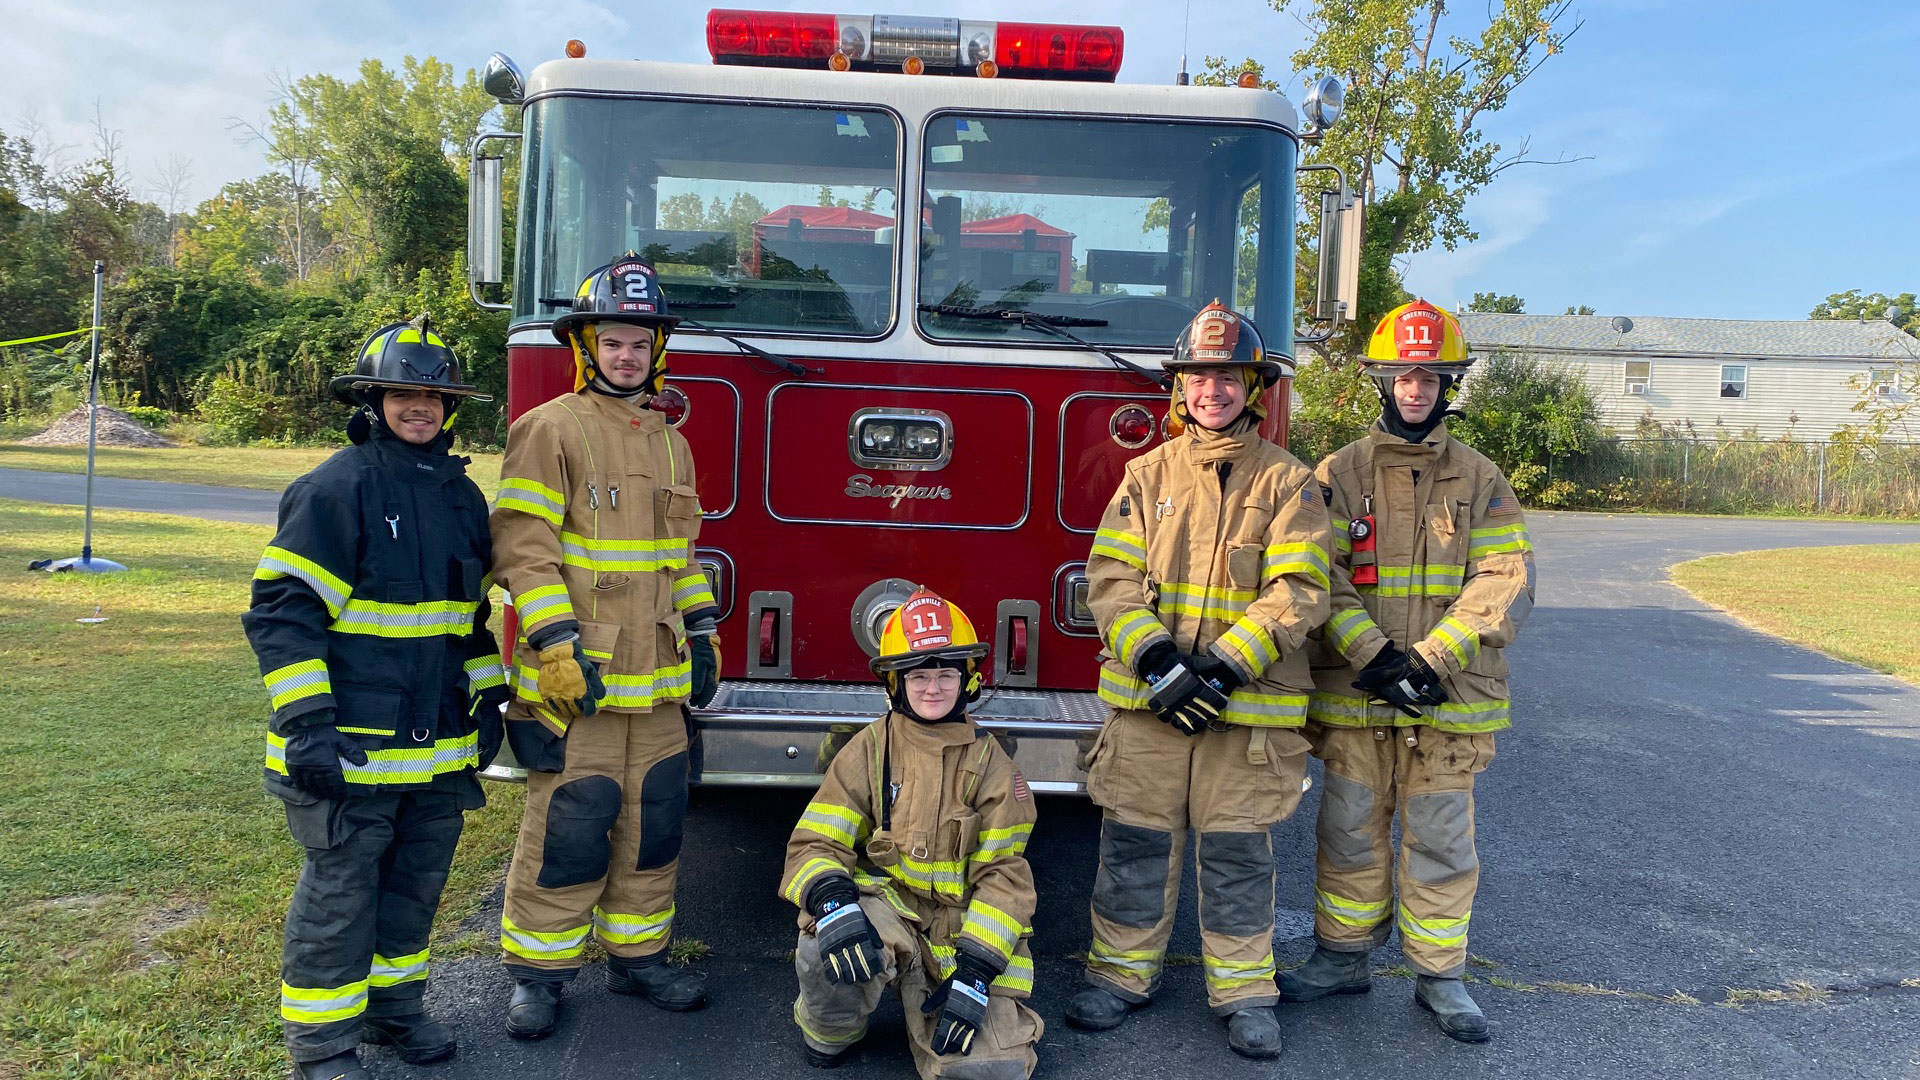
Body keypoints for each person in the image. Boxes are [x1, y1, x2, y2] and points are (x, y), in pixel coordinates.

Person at [242, 316, 507, 1080]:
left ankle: (396, 1011)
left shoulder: (460, 496)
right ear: (375, 398)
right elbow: (284, 612)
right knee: (340, 896)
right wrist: (309, 727)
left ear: (449, 407)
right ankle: (322, 1045)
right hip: (349, 748)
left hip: (434, 751)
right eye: (403, 394)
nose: (419, 407)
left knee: (415, 888)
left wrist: (488, 700)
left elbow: (466, 621)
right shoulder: (337, 487)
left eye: (433, 396)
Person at [1068, 302, 1333, 1059]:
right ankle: (1120, 976)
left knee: (1237, 855)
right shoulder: (1144, 476)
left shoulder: (1291, 484)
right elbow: (1111, 578)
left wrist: (1219, 668)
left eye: (1226, 376)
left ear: (1252, 387)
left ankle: (1245, 992)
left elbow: (1301, 590)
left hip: (1243, 712)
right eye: (1198, 376)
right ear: (1179, 389)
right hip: (1152, 706)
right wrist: (1157, 661)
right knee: (1133, 847)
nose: (1211, 389)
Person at [1276, 299, 1534, 1043]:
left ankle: (1441, 978)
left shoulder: (1482, 478)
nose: (1415, 390)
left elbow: (1504, 577)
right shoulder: (1336, 474)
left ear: (1449, 384)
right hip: (1360, 697)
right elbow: (1317, 575)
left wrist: (1430, 659)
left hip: (1446, 701)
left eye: (1429, 377)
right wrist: (1376, 658)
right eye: (1403, 377)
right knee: (1349, 830)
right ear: (1382, 383)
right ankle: (1340, 959)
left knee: (1442, 839)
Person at [490, 253, 723, 1039]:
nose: (627, 356)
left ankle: (639, 955)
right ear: (584, 348)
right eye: (612, 342)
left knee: (654, 822)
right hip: (578, 675)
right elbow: (525, 547)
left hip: (656, 679)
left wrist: (701, 629)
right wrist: (555, 642)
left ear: (657, 352)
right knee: (571, 822)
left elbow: (679, 558)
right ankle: (539, 974)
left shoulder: (670, 444)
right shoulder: (549, 428)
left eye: (639, 343)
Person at [779, 588, 1043, 1079]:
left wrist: (978, 973)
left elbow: (1005, 877)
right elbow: (815, 842)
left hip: (960, 933)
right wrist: (834, 901)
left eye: (946, 674)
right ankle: (832, 1032)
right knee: (823, 944)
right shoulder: (867, 750)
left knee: (988, 1073)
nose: (932, 688)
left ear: (969, 681)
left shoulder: (994, 767)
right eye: (919, 675)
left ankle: (955, 1009)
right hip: (889, 909)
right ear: (894, 684)